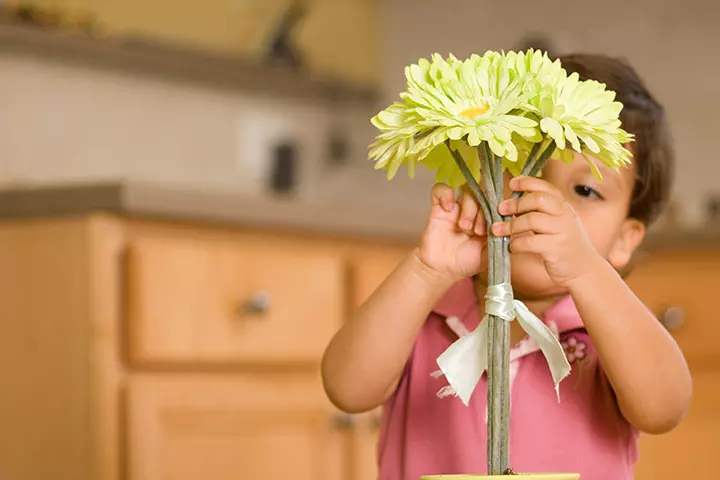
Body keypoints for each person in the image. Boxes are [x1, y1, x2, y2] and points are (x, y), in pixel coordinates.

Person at [320, 54, 692, 480]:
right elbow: (345, 389)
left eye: (585, 190)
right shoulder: (426, 315)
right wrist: (426, 271)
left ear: (625, 240)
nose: (543, 197)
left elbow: (666, 407)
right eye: (518, 169)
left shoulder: (608, 335)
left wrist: (587, 271)